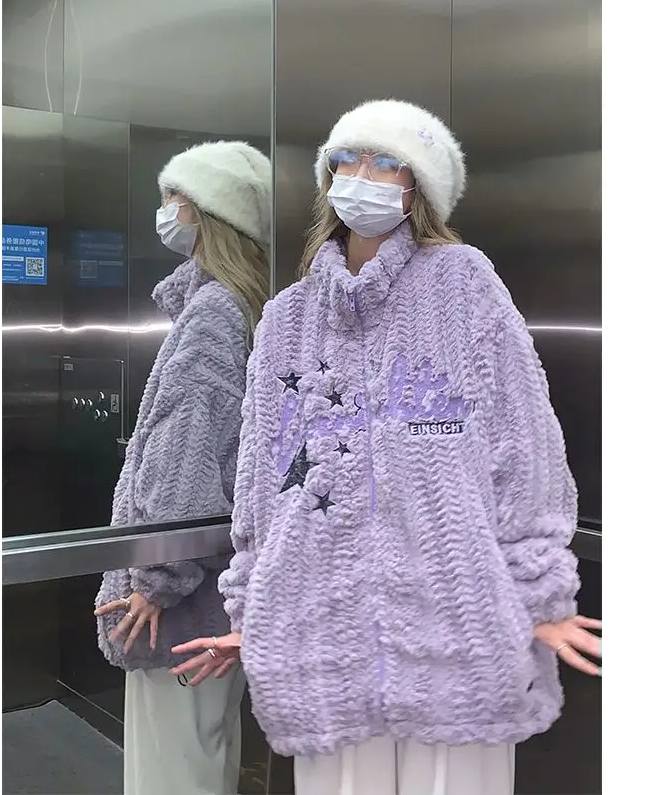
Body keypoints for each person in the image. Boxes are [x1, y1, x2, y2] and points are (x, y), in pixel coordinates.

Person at [171, 101, 602, 795]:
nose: (361, 176)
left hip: (458, 630)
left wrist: (539, 593)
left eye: (385, 163)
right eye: (347, 160)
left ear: (417, 186)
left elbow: (525, 452)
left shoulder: (464, 288)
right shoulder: (287, 320)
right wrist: (255, 607)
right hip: (318, 636)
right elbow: (260, 487)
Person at [93, 140, 271, 795]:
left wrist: (156, 577)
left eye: (177, 199)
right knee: (206, 748)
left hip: (179, 598)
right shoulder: (245, 304)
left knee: (171, 766)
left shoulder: (213, 314)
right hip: (216, 587)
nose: (166, 210)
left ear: (211, 213)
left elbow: (186, 456)